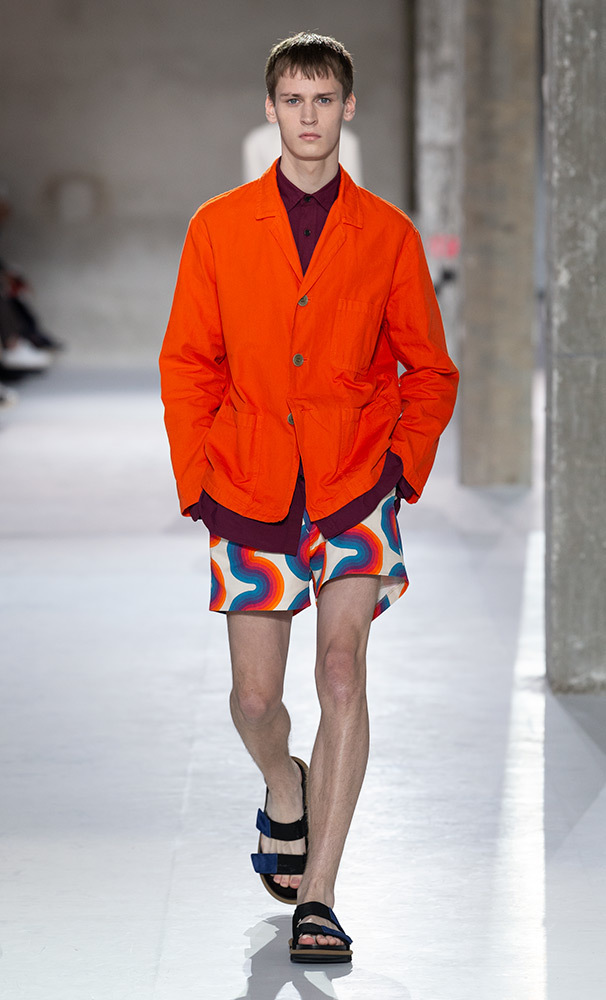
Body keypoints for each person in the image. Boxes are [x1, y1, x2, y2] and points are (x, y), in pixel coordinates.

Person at [160, 31, 459, 964]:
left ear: (347, 108)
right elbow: (188, 362)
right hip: (250, 483)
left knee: (340, 673)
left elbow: (430, 369)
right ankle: (284, 786)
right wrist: (198, 477)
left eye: (324, 100)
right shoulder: (218, 228)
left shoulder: (389, 235)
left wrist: (399, 469)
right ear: (271, 109)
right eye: (293, 100)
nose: (309, 116)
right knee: (255, 701)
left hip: (354, 484)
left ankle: (319, 896)